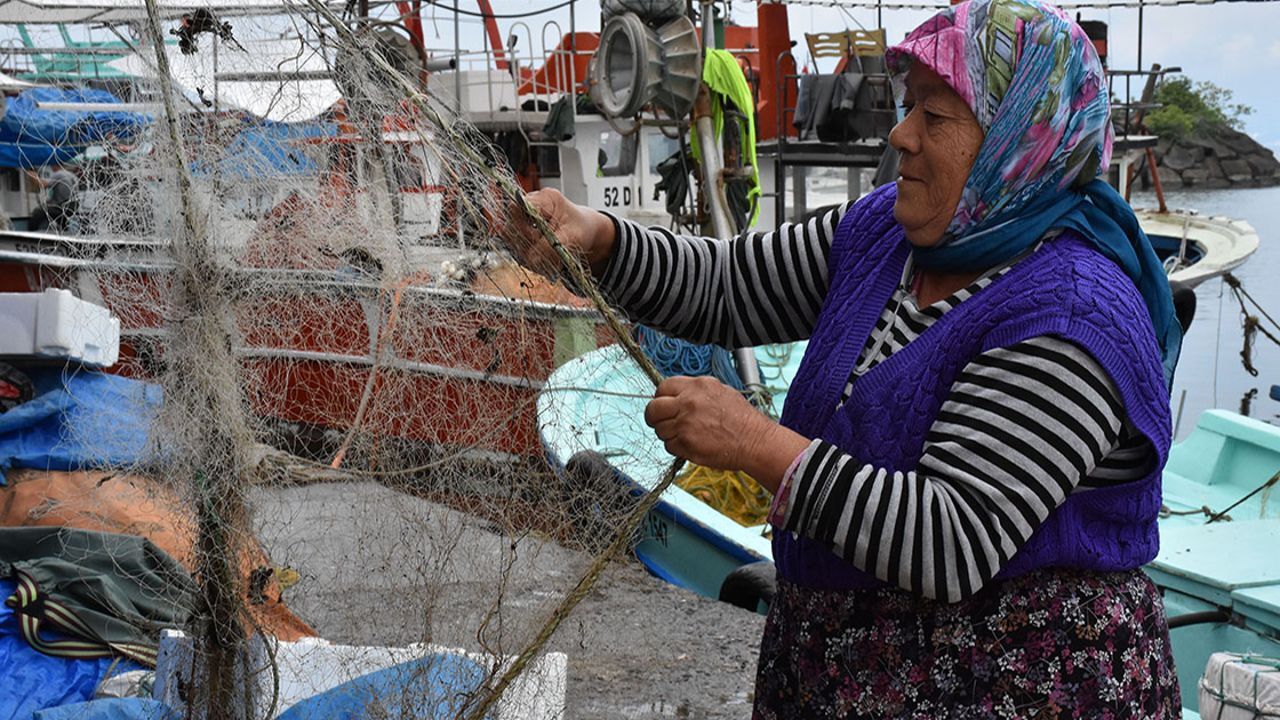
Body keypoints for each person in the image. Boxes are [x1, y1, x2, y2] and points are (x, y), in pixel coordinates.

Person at [517, 0, 1181, 715]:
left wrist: (752, 442)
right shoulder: (887, 233)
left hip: (1016, 690)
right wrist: (598, 238)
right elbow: (727, 287)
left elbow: (950, 537)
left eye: (935, 116)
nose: (901, 135)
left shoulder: (1071, 314)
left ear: (1018, 140)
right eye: (907, 107)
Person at [27, 164, 79, 233]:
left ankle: (31, 233)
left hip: (63, 206)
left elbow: (43, 184)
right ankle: (64, 231)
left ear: (55, 165)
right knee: (60, 217)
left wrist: (33, 176)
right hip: (73, 206)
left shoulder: (58, 174)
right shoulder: (72, 175)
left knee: (38, 212)